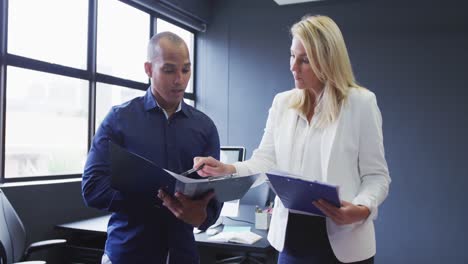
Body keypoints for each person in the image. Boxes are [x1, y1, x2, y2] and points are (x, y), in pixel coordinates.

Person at [193, 15, 391, 264]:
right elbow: (265, 161)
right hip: (291, 242)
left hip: (346, 244)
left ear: (328, 61)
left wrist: (362, 209)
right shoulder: (282, 103)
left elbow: (377, 176)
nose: (293, 66)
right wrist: (228, 168)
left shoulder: (361, 103)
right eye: (292, 55)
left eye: (305, 60)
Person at [82, 32, 222, 264]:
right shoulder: (119, 119)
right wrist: (156, 196)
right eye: (169, 70)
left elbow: (213, 202)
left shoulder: (205, 127)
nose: (179, 80)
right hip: (127, 254)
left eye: (186, 70)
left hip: (182, 255)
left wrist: (203, 217)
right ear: (148, 69)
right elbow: (93, 188)